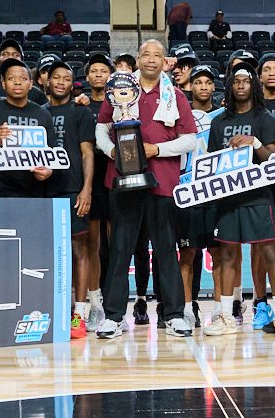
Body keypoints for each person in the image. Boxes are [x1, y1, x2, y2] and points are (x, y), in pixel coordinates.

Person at [94, 39, 197, 339]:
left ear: (165, 62)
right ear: (137, 59)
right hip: (124, 180)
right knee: (120, 249)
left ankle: (174, 314)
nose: (151, 59)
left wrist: (157, 150)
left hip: (163, 182)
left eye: (157, 55)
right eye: (145, 54)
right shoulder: (119, 89)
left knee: (166, 249)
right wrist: (112, 151)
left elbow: (190, 139)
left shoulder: (175, 95)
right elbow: (101, 128)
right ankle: (114, 316)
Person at [204, 60, 275, 337]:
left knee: (268, 254)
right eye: (236, 82)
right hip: (227, 199)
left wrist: (254, 143)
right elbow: (210, 164)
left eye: (246, 81)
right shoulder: (218, 122)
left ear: (254, 85)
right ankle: (227, 315)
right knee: (227, 256)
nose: (241, 86)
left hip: (258, 198)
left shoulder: (263, 118)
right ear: (229, 86)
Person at [43, 60, 96, 339]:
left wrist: (86, 189)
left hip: (73, 190)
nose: (61, 82)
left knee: (79, 252)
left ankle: (79, 314)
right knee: (49, 254)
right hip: (44, 192)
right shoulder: (37, 112)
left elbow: (87, 153)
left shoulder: (81, 111)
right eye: (56, 78)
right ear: (46, 81)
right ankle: (53, 309)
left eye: (67, 78)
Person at [178, 64, 220, 328]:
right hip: (188, 192)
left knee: (219, 254)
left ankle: (219, 309)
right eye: (198, 82)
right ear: (190, 86)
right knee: (187, 254)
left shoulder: (223, 116)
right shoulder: (180, 115)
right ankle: (186, 308)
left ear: (213, 87)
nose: (203, 86)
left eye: (208, 82)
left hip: (216, 193)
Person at [0, 58, 55, 198]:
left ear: (31, 84)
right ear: (3, 83)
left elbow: (52, 154)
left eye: (24, 78)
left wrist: (48, 171)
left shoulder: (43, 114)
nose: (17, 82)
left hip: (34, 192)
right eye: (11, 78)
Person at [84, 53, 115, 330]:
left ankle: (115, 305)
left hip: (115, 180)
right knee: (92, 246)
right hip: (91, 185)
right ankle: (95, 304)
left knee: (116, 247)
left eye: (103, 70)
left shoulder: (121, 106)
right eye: (93, 70)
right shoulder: (81, 107)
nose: (98, 74)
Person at [0, 40, 48, 105]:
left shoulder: (35, 93)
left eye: (16, 55)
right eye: (5, 54)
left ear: (22, 61)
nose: (10, 57)